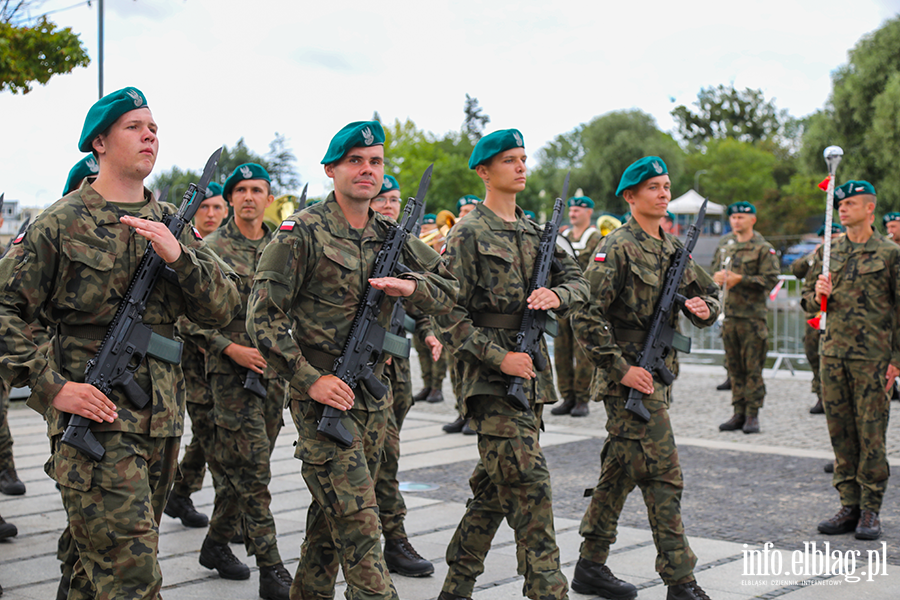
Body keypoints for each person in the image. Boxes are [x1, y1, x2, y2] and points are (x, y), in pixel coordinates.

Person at [0, 87, 240, 600]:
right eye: (134, 126)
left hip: (163, 420)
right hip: (96, 425)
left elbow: (224, 307)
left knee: (95, 573)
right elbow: (4, 308)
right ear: (99, 143)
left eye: (153, 127)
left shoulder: (173, 222)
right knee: (133, 582)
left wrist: (180, 258)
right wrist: (51, 387)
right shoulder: (60, 222)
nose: (149, 134)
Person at [246, 121, 457, 600]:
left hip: (373, 396)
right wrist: (309, 380)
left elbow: (449, 290)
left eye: (376, 161)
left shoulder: (393, 235)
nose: (368, 170)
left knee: (330, 525)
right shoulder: (300, 232)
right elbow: (262, 319)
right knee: (363, 527)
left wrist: (413, 288)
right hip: (322, 397)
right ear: (330, 169)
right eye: (355, 161)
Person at [435, 129, 588, 600]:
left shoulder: (537, 232)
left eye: (523, 158)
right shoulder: (466, 233)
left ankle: (456, 584)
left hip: (532, 379)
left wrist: (557, 294)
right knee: (530, 488)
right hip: (488, 381)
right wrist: (500, 356)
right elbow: (447, 313)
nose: (521, 166)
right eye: (509, 160)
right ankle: (548, 591)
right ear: (484, 171)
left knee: (494, 489)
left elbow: (581, 283)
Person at [571, 156, 719, 600]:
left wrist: (705, 309)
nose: (663, 193)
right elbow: (583, 312)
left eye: (667, 185)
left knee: (619, 471)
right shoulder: (616, 246)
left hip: (657, 375)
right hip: (628, 382)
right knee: (663, 475)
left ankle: (589, 566)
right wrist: (621, 369)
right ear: (631, 197)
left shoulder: (673, 248)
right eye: (653, 187)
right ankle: (681, 580)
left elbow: (709, 292)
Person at [183, 163, 293, 599]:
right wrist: (230, 348)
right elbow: (185, 317)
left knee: (243, 473)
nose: (249, 197)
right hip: (229, 377)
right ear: (230, 199)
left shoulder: (283, 245)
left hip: (273, 376)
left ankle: (214, 544)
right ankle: (271, 567)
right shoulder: (210, 248)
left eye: (258, 190)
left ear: (269, 198)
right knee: (253, 472)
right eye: (241, 190)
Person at [803, 180, 900, 541]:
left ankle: (871, 509)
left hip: (873, 360)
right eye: (839, 204)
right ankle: (849, 504)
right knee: (841, 434)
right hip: (833, 356)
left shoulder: (890, 253)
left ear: (870, 208)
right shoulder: (830, 252)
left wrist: (897, 360)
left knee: (871, 435)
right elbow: (807, 304)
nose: (842, 209)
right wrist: (817, 295)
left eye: (851, 204)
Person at [370, 174, 439, 577]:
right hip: (366, 368)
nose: (391, 206)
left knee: (385, 456)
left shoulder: (406, 249)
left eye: (395, 200)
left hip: (398, 371)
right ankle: (393, 540)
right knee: (383, 457)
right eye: (384, 199)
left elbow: (421, 304)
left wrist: (428, 334)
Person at [164, 180, 231, 532]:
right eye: (204, 207)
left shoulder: (215, 252)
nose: (210, 213)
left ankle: (183, 490)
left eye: (216, 207)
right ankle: (229, 521)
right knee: (213, 435)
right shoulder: (183, 246)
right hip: (192, 359)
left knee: (210, 437)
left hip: (226, 365)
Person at [712, 202, 779, 434]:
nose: (736, 221)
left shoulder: (763, 248)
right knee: (734, 368)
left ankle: (753, 414)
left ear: (753, 220)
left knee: (752, 369)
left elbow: (771, 280)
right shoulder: (725, 246)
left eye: (741, 217)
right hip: (730, 316)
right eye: (733, 217)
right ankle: (738, 411)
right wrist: (718, 277)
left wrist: (741, 279)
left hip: (752, 318)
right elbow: (714, 272)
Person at [552, 195, 602, 418]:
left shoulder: (596, 238)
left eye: (578, 210)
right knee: (561, 353)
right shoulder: (563, 237)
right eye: (571, 210)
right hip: (563, 302)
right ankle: (567, 396)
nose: (573, 213)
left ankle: (582, 398)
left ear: (589, 212)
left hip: (585, 304)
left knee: (583, 354)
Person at [792, 224, 844, 415]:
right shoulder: (818, 255)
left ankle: (834, 397)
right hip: (814, 315)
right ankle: (820, 395)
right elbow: (796, 270)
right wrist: (812, 257)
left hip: (837, 319)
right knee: (814, 355)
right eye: (827, 238)